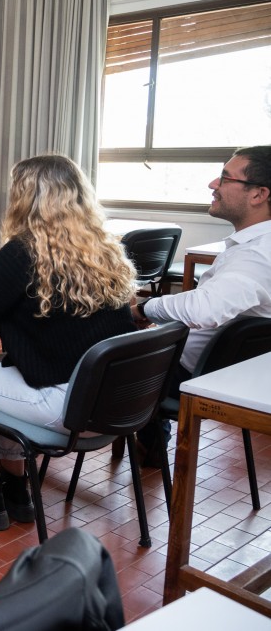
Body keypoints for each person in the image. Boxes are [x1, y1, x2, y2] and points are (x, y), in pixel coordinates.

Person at [0, 155, 137, 531]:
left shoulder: (22, 252)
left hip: (64, 404)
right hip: (110, 404)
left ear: (24, 196)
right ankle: (16, 484)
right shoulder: (106, 248)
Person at [133, 145, 271, 459]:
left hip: (193, 375)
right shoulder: (257, 246)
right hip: (223, 369)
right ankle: (151, 443)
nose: (213, 185)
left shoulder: (257, 255)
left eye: (225, 178)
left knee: (100, 343)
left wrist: (143, 307)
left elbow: (204, 309)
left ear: (258, 194)